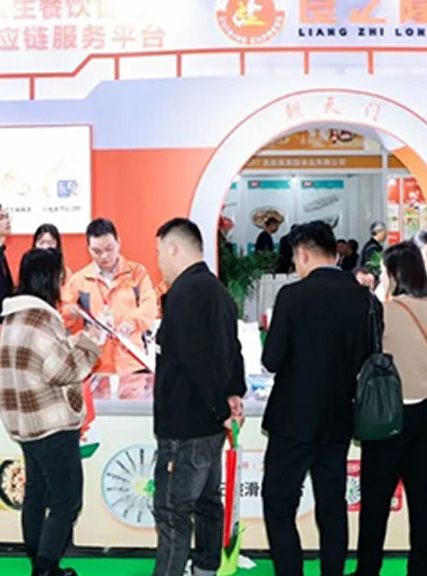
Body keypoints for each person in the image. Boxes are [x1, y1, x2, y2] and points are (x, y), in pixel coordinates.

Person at [261, 221, 371, 576]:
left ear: (303, 254)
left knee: (279, 504)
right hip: (338, 416)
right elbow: (369, 357)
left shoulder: (291, 296)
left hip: (291, 418)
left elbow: (271, 359)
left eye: (295, 259)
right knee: (332, 507)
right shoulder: (363, 299)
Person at [356, 241, 427, 576]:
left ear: (392, 274)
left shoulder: (381, 313)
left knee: (375, 502)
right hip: (426, 415)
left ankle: (368, 570)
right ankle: (420, 569)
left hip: (383, 414)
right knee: (422, 501)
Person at [0, 248, 102, 576]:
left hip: (24, 423)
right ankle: (45, 569)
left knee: (36, 496)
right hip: (51, 423)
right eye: (60, 277)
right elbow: (62, 371)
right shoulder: (42, 318)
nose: (62, 283)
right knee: (66, 501)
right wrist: (90, 344)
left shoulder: (14, 315)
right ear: (49, 279)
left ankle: (40, 564)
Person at [153, 218, 246, 576]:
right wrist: (231, 395)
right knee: (207, 503)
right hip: (208, 424)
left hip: (186, 425)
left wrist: (220, 406)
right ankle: (206, 568)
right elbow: (231, 350)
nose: (159, 260)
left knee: (172, 512)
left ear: (174, 248)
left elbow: (196, 360)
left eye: (160, 252)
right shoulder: (216, 290)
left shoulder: (184, 293)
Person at [63, 218, 157, 375]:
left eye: (109, 248)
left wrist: (132, 322)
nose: (104, 256)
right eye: (97, 251)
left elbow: (150, 307)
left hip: (132, 363)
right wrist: (70, 313)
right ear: (88, 249)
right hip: (96, 364)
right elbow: (63, 314)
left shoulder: (137, 273)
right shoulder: (79, 280)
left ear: (118, 243)